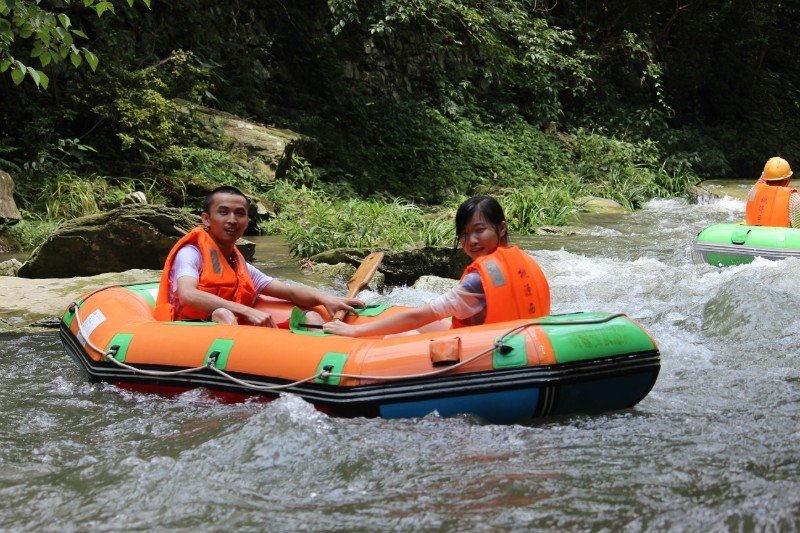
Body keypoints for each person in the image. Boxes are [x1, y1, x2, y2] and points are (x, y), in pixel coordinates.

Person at [323, 195, 550, 338]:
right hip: (514, 343)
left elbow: (418, 318)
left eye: (480, 230)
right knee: (430, 319)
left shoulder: (478, 280)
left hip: (485, 353)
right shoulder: (524, 260)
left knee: (401, 335)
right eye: (464, 234)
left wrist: (355, 330)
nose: (471, 241)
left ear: (501, 229)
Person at [154, 186, 363, 326]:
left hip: (235, 325)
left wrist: (325, 297)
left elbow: (288, 292)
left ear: (247, 222)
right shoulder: (191, 253)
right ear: (206, 219)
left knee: (311, 317)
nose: (233, 220)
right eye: (224, 212)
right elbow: (188, 294)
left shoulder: (238, 263)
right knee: (223, 314)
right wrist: (245, 310)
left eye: (240, 214)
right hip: (189, 327)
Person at [745, 156, 800, 227]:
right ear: (786, 179)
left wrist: (767, 173)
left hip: (754, 236)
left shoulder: (753, 192)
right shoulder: (793, 198)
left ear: (766, 178)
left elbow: (760, 182)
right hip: (781, 237)